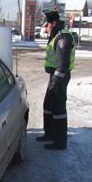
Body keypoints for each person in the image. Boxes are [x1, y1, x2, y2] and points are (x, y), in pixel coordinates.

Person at [36, 10, 75, 150]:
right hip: (54, 75)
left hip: (60, 77)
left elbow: (63, 64)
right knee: (48, 105)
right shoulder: (55, 34)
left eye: (47, 25)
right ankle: (50, 133)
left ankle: (60, 141)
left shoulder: (62, 37)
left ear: (53, 23)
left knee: (58, 109)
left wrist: (56, 82)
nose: (45, 28)